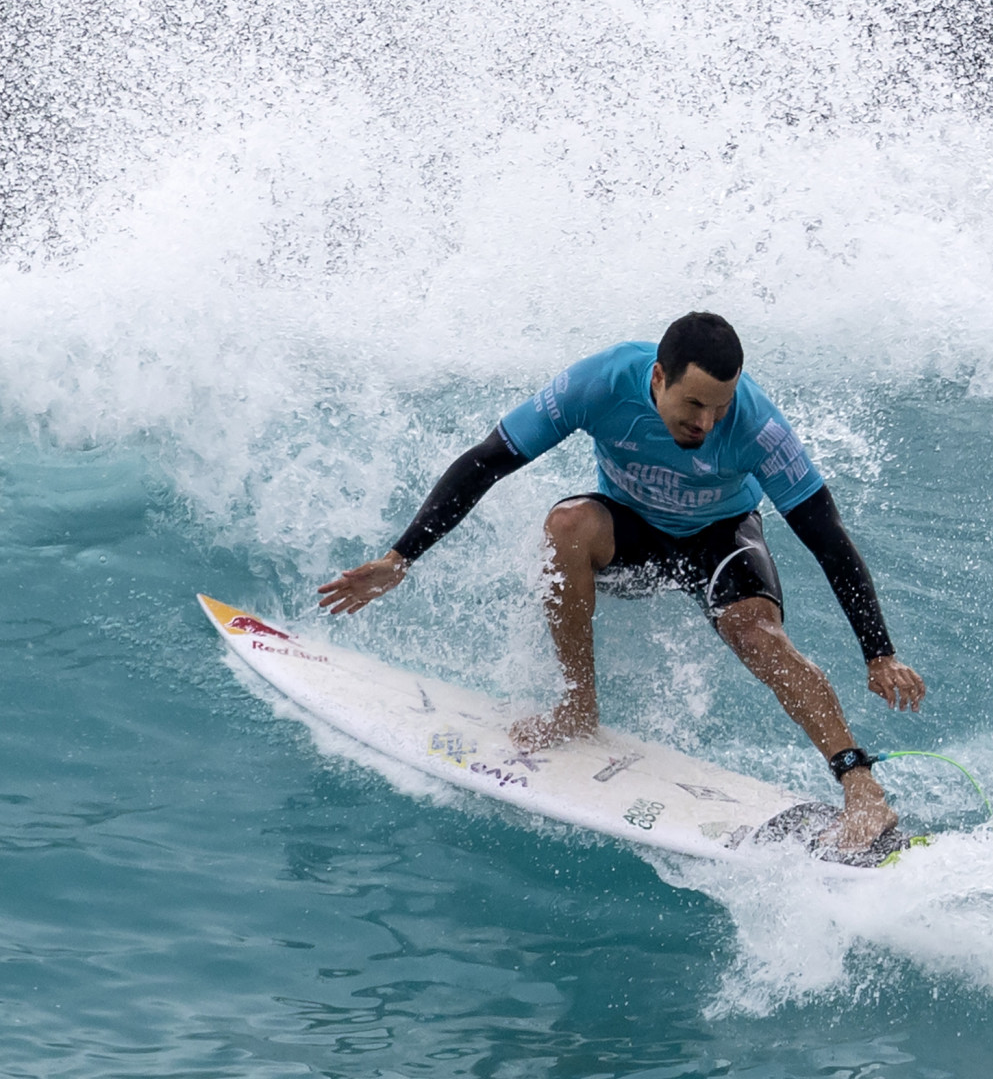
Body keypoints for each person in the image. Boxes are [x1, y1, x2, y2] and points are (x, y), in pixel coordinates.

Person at [317, 312, 925, 852]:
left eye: (721, 406)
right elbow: (488, 460)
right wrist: (401, 558)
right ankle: (578, 705)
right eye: (694, 405)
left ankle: (863, 791)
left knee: (756, 633)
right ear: (658, 378)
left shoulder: (758, 427)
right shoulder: (601, 382)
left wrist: (880, 653)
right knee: (567, 526)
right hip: (628, 535)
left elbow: (827, 534)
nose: (709, 423)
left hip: (720, 536)